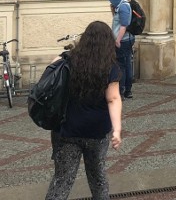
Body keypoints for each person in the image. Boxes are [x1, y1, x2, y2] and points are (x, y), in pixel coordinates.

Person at [45, 20, 122, 200]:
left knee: (62, 179)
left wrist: (63, 56)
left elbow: (51, 71)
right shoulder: (111, 67)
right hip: (96, 131)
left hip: (66, 130)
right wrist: (117, 130)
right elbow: (113, 99)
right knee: (98, 178)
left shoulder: (68, 60)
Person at [107, 0, 134, 99]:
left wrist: (117, 40)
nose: (110, 2)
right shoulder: (122, 5)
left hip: (123, 41)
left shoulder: (123, 7)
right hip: (126, 40)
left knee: (121, 66)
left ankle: (122, 91)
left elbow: (123, 26)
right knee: (127, 64)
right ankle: (127, 90)